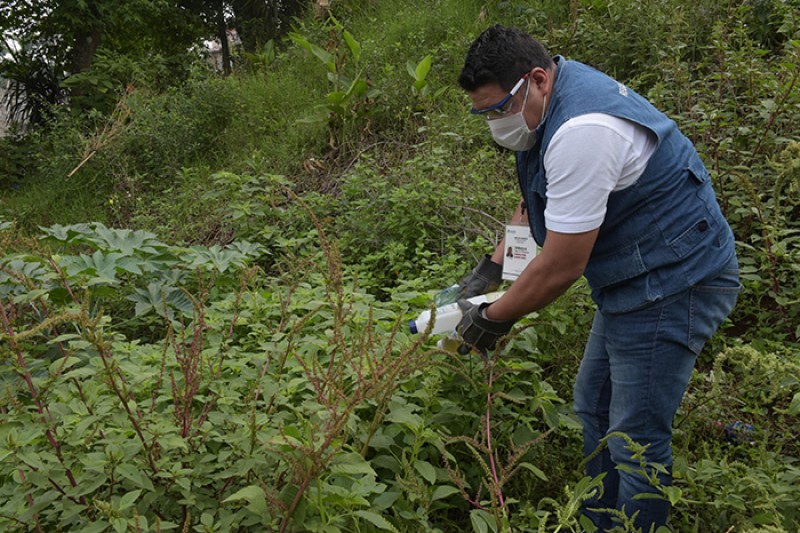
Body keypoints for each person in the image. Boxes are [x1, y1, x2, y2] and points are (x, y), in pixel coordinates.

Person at [452, 25, 740, 531]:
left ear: (537, 78)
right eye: (484, 114)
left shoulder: (583, 131)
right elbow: (538, 197)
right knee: (593, 406)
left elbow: (562, 265)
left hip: (676, 279)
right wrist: (491, 268)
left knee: (635, 439)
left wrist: (492, 318)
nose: (495, 123)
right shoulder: (547, 103)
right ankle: (600, 520)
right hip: (637, 275)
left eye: (498, 109)